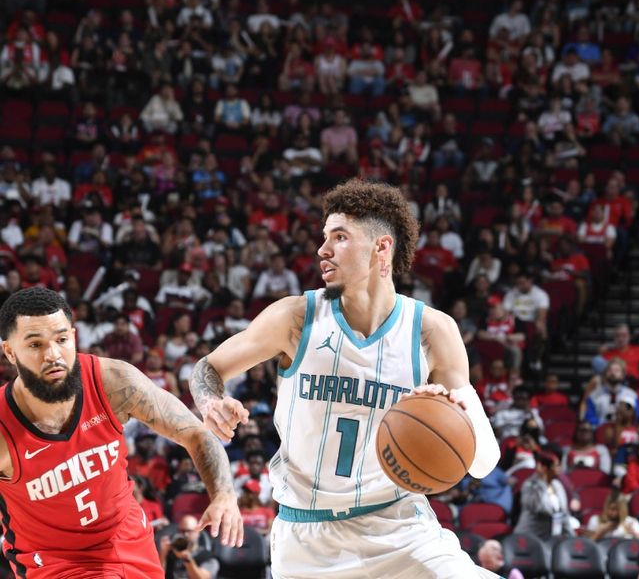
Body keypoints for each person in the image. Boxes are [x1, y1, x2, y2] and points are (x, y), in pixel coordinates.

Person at [189, 180, 501, 578]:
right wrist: (210, 402)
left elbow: (483, 463)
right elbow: (208, 368)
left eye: (339, 237)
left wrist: (458, 410)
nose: (323, 249)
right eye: (324, 237)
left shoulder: (432, 331)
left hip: (401, 528)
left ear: (381, 247)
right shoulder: (295, 317)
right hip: (307, 538)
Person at [0, 287, 243, 578]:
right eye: (35, 345)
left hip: (129, 542)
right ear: (10, 352)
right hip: (56, 562)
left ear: (74, 337)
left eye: (62, 339)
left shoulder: (113, 381)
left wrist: (224, 495)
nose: (53, 355)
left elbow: (194, 432)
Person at [159, 514, 220, 578]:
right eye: (181, 531)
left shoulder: (208, 558)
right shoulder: (170, 553)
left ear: (198, 532)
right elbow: (156, 575)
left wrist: (186, 558)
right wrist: (163, 554)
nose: (185, 535)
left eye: (189, 531)